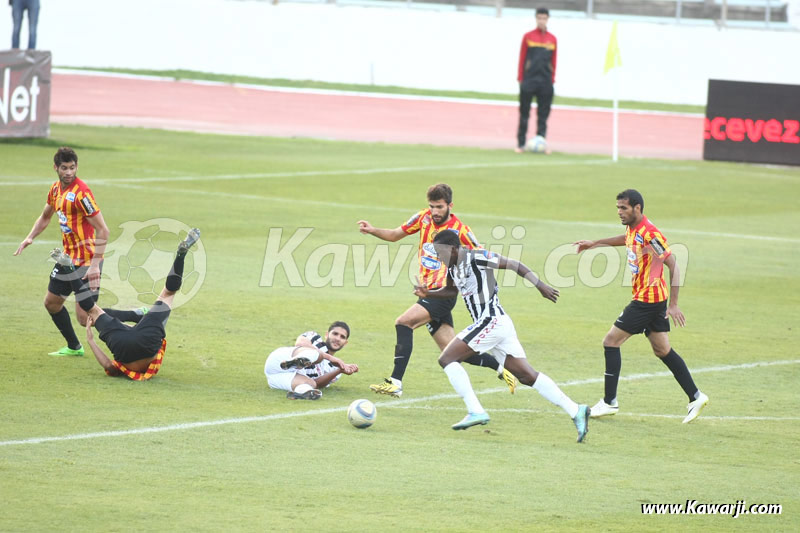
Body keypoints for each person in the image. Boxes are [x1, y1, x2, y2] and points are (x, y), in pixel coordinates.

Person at [415, 230, 590, 442]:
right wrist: (429, 293)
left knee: (446, 359)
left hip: (491, 321)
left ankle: (475, 410)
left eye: (441, 252)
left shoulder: (477, 257)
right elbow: (451, 291)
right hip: (497, 325)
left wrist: (540, 285)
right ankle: (576, 410)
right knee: (527, 376)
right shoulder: (452, 267)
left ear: (453, 249)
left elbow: (513, 264)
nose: (439, 257)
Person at [358, 183, 516, 398]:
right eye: (432, 206)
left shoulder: (461, 230)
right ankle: (501, 368)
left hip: (443, 293)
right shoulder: (422, 218)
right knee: (452, 351)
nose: (434, 211)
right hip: (429, 292)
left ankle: (395, 382)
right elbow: (395, 234)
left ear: (450, 205)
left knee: (403, 323)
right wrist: (372, 230)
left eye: (439, 207)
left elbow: (481, 256)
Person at [573, 189, 709, 423]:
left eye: (623, 208)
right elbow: (626, 239)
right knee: (662, 350)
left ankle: (609, 401)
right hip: (654, 300)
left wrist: (674, 305)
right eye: (618, 208)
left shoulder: (650, 234)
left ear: (637, 208)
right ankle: (696, 396)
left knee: (610, 341)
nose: (619, 212)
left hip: (647, 300)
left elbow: (673, 265)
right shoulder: (633, 228)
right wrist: (595, 243)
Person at [49, 228, 201, 380]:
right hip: (123, 345)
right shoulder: (122, 366)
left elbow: (131, 338)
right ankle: (70, 269)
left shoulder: (141, 354)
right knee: (92, 310)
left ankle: (180, 255)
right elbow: (108, 365)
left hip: (148, 339)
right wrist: (91, 341)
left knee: (168, 293)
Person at [14, 147, 110, 357]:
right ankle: (74, 347)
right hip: (67, 259)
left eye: (72, 167)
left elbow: (103, 230)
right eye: (64, 168)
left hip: (87, 260)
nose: (69, 172)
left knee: (85, 317)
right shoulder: (55, 190)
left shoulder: (82, 194)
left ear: (77, 167)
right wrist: (30, 236)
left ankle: (137, 317)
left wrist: (95, 265)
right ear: (55, 168)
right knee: (52, 303)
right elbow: (45, 216)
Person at [264, 322, 359, 400]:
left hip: (275, 378)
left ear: (345, 343)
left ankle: (302, 392)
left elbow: (317, 383)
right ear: (327, 335)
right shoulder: (315, 337)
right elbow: (300, 343)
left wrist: (340, 370)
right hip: (279, 360)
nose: (337, 338)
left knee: (311, 384)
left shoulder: (335, 369)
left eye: (342, 337)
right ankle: (294, 362)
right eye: (335, 334)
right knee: (318, 355)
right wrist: (329, 357)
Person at [516, 7, 556, 155]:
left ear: (547, 19)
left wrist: (552, 79)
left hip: (545, 81)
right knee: (524, 113)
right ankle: (521, 144)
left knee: (543, 115)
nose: (541, 21)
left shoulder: (552, 39)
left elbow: (554, 61)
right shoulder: (528, 37)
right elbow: (522, 57)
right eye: (539, 18)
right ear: (536, 18)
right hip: (529, 80)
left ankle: (541, 143)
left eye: (544, 18)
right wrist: (520, 78)